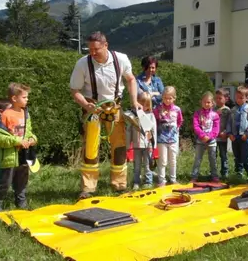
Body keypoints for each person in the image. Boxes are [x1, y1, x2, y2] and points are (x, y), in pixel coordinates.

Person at [69, 31, 142, 199]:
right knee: (91, 147)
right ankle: (88, 188)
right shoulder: (82, 64)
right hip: (92, 109)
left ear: (106, 45)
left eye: (96, 49)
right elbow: (75, 91)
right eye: (90, 49)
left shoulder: (121, 59)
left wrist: (134, 101)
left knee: (119, 146)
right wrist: (86, 105)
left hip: (114, 108)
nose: (92, 53)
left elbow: (130, 79)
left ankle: (119, 185)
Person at [0, 83, 38, 212]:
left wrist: (32, 138)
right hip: (10, 156)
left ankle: (21, 203)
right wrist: (17, 141)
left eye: (27, 97)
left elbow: (28, 131)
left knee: (22, 181)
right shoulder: (6, 115)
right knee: (5, 182)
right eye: (24, 97)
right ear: (14, 98)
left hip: (24, 155)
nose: (27, 100)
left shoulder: (25, 113)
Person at [126, 92, 157, 190]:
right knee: (137, 165)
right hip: (137, 145)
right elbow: (129, 130)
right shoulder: (133, 116)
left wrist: (154, 144)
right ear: (137, 102)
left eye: (146, 105)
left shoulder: (151, 115)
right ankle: (136, 182)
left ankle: (148, 181)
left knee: (148, 165)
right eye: (142, 104)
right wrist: (127, 145)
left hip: (148, 145)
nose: (144, 107)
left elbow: (154, 130)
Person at [227, 86, 248, 182]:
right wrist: (229, 133)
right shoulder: (233, 109)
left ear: (246, 98)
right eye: (237, 97)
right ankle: (238, 172)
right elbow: (229, 122)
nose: (238, 100)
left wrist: (247, 134)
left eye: (241, 98)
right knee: (237, 155)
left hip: (244, 137)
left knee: (245, 155)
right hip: (235, 137)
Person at [154, 86, 183, 186]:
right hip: (161, 139)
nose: (167, 100)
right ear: (162, 97)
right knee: (163, 161)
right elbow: (155, 121)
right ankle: (162, 180)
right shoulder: (158, 109)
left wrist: (175, 130)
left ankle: (173, 179)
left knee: (173, 160)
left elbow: (180, 121)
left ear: (174, 98)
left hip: (173, 140)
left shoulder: (177, 109)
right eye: (165, 98)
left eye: (170, 98)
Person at [191, 92, 220, 182]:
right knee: (198, 159)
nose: (206, 104)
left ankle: (214, 176)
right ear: (201, 102)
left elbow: (216, 128)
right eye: (204, 102)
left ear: (212, 103)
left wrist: (209, 136)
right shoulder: (197, 113)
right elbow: (196, 126)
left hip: (211, 141)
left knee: (213, 159)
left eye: (208, 102)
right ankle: (194, 176)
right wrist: (202, 135)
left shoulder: (215, 115)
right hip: (200, 140)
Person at [215, 89, 231, 178]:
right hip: (214, 137)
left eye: (220, 98)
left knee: (223, 154)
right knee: (213, 154)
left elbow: (229, 123)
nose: (217, 100)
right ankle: (213, 172)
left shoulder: (227, 110)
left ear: (226, 99)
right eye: (216, 98)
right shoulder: (213, 109)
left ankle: (225, 172)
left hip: (222, 137)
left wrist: (226, 132)